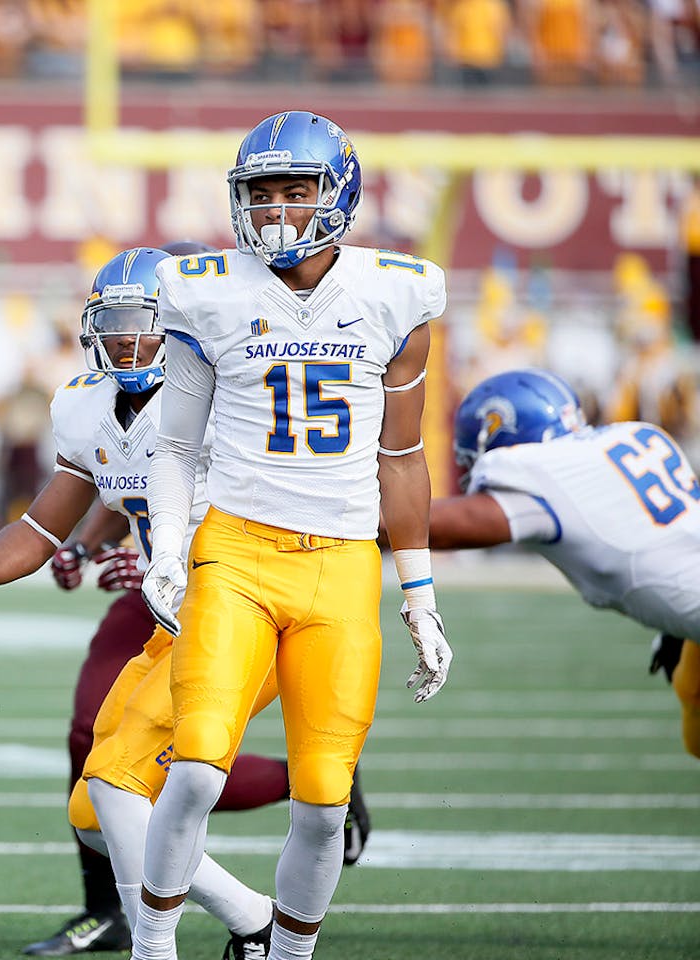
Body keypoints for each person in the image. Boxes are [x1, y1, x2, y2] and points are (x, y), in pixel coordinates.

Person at [0, 245, 309, 960]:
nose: (127, 338)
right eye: (114, 321)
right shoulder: (86, 402)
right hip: (174, 618)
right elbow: (41, 524)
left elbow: (275, 507)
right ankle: (254, 920)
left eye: (145, 321)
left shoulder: (229, 394)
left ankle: (156, 946)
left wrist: (174, 557)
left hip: (241, 606)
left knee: (119, 782)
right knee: (94, 812)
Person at [132, 110, 452, 960]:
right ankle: (152, 945)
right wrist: (167, 550)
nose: (275, 209)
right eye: (260, 193)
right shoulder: (205, 287)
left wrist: (419, 597)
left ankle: (289, 955)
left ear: (337, 191)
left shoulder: (396, 291)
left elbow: (404, 455)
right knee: (197, 764)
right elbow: (175, 444)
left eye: (294, 190)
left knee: (322, 796)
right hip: (235, 549)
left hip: (342, 564)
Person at [423, 368, 700, 758]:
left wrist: (330, 514)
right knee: (692, 692)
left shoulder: (543, 476)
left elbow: (431, 527)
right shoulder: (635, 434)